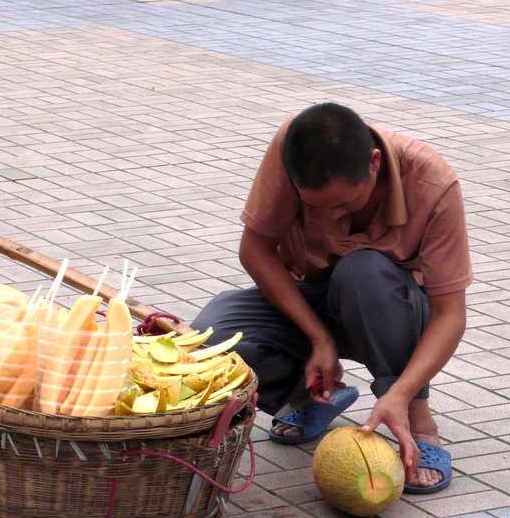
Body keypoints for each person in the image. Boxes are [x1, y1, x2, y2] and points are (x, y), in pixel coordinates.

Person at [191, 102, 471, 493]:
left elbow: (450, 314)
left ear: (375, 163)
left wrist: (401, 392)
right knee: (210, 336)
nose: (334, 216)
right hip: (309, 296)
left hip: (386, 309)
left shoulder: (432, 183)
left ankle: (419, 421)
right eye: (315, 206)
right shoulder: (295, 146)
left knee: (362, 271)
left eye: (345, 203)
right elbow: (255, 250)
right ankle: (314, 397)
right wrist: (319, 338)